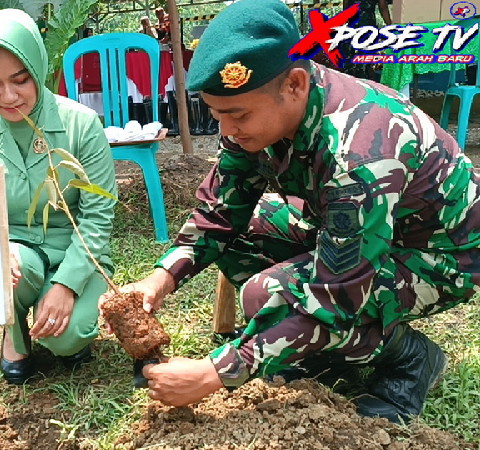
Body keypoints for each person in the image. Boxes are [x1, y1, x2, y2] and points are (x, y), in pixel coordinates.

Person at [100, 0, 479, 425]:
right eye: (216, 114)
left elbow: (337, 294)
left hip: (438, 257)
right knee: (245, 233)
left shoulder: (359, 154)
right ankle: (317, 346)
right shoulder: (260, 113)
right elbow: (220, 212)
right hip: (361, 231)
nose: (225, 130)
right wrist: (161, 277)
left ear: (295, 85)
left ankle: (410, 358)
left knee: (267, 295)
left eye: (237, 115)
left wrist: (215, 372)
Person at [0, 9, 117, 385]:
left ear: (37, 68)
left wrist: (66, 285)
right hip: (15, 256)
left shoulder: (81, 125)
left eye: (21, 80)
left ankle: (60, 306)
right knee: (10, 271)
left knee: (69, 338)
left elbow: (97, 215)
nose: (8, 96)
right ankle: (14, 328)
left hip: (76, 250)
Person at [341, 0, 392, 81]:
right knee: (365, 60)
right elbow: (383, 7)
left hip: (351, 23)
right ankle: (364, 85)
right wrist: (390, 25)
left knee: (349, 60)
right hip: (367, 23)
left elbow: (346, 4)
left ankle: (347, 84)